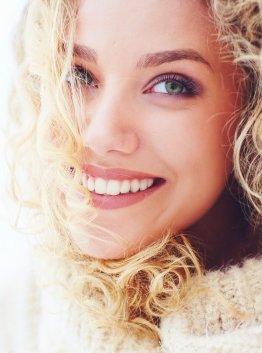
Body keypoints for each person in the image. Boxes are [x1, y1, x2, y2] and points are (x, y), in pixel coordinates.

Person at [3, 0, 262, 351]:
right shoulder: (21, 303)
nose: (100, 136)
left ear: (251, 109)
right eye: (77, 74)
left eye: (170, 85)